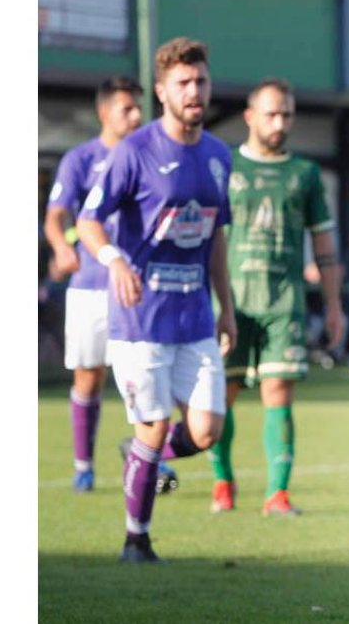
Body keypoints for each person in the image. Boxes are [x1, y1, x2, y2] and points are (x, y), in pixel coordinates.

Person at [75, 36, 237, 562]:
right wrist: (114, 261)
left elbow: (216, 237)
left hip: (194, 318)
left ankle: (141, 459)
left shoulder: (217, 156)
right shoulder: (134, 151)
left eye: (201, 81)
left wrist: (226, 306)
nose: (195, 91)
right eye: (183, 83)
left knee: (208, 430)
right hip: (140, 319)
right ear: (163, 92)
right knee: (156, 423)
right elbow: (88, 219)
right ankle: (136, 539)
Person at [210, 77, 345, 515]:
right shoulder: (225, 166)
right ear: (249, 116)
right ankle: (222, 482)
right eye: (271, 112)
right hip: (231, 300)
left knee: (279, 392)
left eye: (286, 113)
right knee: (223, 394)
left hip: (283, 302)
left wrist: (334, 305)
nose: (279, 121)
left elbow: (323, 246)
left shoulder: (304, 174)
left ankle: (277, 493)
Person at [43, 75, 143, 492]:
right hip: (90, 286)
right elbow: (56, 216)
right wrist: (61, 249)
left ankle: (149, 458)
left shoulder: (148, 155)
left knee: (143, 375)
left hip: (138, 286)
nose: (136, 116)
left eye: (139, 107)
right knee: (89, 376)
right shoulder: (80, 159)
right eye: (127, 108)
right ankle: (84, 465)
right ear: (105, 113)